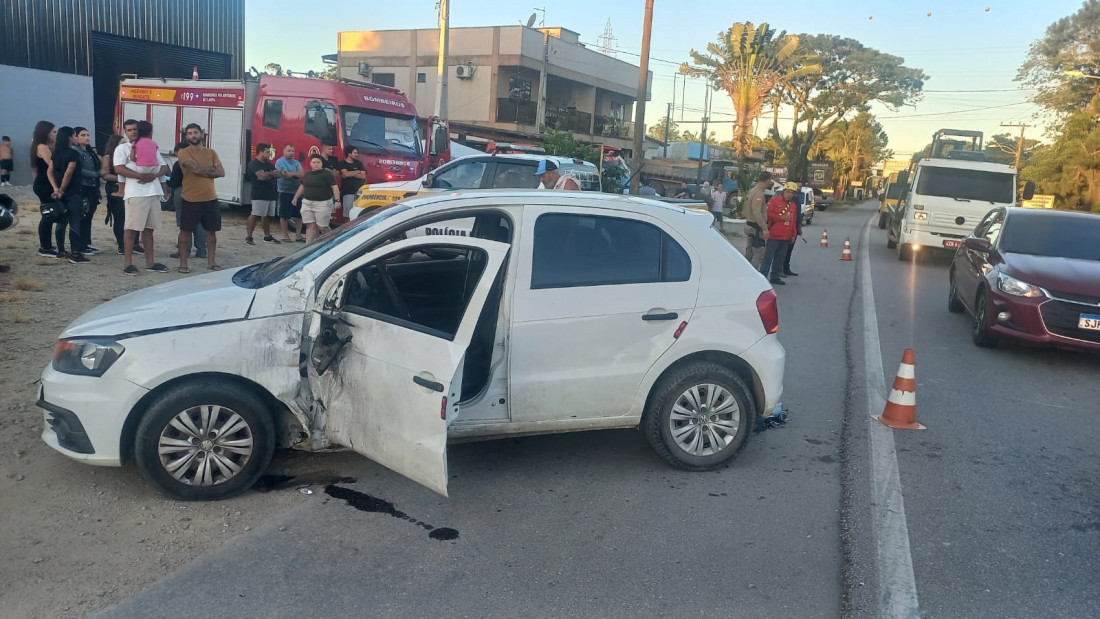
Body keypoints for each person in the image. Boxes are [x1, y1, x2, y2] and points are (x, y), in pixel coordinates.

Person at [113, 118, 170, 275]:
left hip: (153, 192)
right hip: (136, 192)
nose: (132, 132)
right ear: (125, 132)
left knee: (149, 229)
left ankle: (150, 262)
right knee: (131, 229)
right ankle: (128, 264)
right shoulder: (123, 149)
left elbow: (164, 166)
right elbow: (118, 168)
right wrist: (140, 175)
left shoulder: (150, 146)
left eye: (135, 129)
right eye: (129, 130)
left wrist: (153, 176)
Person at [175, 123, 225, 272]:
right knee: (185, 231)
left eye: (195, 132)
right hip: (190, 198)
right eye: (189, 133)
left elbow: (221, 172)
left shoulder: (211, 152)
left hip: (210, 198)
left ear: (202, 134)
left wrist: (202, 169)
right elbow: (194, 169)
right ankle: (183, 264)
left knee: (211, 232)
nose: (193, 136)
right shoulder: (183, 152)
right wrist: (211, 170)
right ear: (186, 136)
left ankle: (211, 262)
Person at [50, 127, 89, 264]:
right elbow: (69, 172)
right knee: (75, 222)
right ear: (69, 137)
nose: (75, 138)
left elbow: (50, 172)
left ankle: (61, 250)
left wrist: (56, 188)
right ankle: (76, 253)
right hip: (72, 192)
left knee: (61, 221)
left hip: (60, 194)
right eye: (74, 136)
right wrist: (62, 189)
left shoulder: (56, 153)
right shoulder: (73, 154)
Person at [100, 134, 141, 255]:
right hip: (115, 188)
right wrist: (123, 176)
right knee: (120, 218)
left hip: (131, 188)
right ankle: (121, 244)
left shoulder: (130, 156)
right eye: (122, 143)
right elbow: (106, 175)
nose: (125, 145)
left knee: (134, 217)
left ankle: (135, 243)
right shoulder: (108, 157)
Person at [31, 120, 65, 258]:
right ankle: (45, 247)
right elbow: (53, 164)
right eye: (54, 132)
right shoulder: (42, 147)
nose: (56, 134)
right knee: (49, 214)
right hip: (44, 184)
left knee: (49, 213)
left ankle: (47, 245)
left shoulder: (45, 146)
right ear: (46, 133)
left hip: (46, 183)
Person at [168, 141, 206, 259]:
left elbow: (174, 182)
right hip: (198, 192)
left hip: (183, 192)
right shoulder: (199, 162)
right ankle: (202, 250)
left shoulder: (179, 164)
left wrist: (166, 181)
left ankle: (184, 250)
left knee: (185, 223)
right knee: (198, 222)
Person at [292, 154, 339, 243]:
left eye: (318, 162)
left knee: (322, 226)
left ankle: (333, 240)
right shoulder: (308, 174)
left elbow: (335, 187)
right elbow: (302, 186)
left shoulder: (327, 174)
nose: (316, 164)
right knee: (310, 225)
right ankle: (308, 246)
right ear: (310, 163)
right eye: (314, 162)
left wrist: (337, 200)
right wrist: (296, 196)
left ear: (322, 163)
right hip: (307, 202)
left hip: (323, 203)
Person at [759, 182, 799, 285]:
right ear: (784, 191)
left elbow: (793, 221)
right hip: (774, 235)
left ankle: (775, 277)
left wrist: (793, 235)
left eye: (792, 193)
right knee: (768, 257)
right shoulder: (774, 201)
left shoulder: (793, 205)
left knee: (779, 259)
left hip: (785, 237)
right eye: (788, 192)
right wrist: (780, 217)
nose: (790, 194)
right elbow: (768, 214)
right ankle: (762, 277)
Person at [244, 142, 282, 245]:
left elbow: (279, 174)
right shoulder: (254, 163)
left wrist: (269, 174)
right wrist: (271, 174)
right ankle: (249, 237)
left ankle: (267, 236)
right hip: (259, 193)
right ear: (260, 152)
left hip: (271, 193)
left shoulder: (269, 164)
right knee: (255, 214)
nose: (269, 154)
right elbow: (261, 177)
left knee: (267, 216)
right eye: (267, 152)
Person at [74, 127, 102, 255]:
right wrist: (97, 174)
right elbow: (79, 170)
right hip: (83, 187)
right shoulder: (76, 152)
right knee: (83, 216)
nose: (87, 137)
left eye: (88, 135)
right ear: (76, 137)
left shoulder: (89, 152)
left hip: (92, 187)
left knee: (89, 216)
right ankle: (80, 245)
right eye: (83, 135)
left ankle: (86, 243)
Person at [742, 171, 772, 269]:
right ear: (767, 180)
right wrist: (764, 228)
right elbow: (757, 212)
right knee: (759, 252)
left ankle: (744, 272)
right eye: (770, 180)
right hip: (755, 228)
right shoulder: (759, 193)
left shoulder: (752, 190)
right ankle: (754, 276)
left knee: (749, 252)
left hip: (749, 225)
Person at [276, 144, 305, 242]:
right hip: (284, 191)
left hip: (297, 192)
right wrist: (296, 174)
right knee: (284, 215)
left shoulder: (296, 162)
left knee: (299, 215)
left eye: (293, 151)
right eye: (289, 150)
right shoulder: (280, 162)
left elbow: (302, 174)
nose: (291, 153)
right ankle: (285, 236)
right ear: (283, 151)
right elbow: (286, 176)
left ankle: (298, 235)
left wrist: (292, 174)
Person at [781, 180, 804, 277]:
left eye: (800, 187)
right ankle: (779, 270)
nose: (799, 188)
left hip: (794, 228)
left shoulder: (797, 199)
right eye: (797, 186)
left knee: (789, 250)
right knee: (782, 251)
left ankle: (786, 268)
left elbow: (797, 215)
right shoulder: (788, 199)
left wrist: (798, 227)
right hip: (785, 229)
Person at [336, 146, 366, 220]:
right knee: (347, 214)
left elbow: (363, 175)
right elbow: (346, 174)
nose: (357, 154)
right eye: (355, 153)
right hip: (348, 192)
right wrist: (357, 171)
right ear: (349, 153)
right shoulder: (342, 163)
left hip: (359, 192)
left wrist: (350, 173)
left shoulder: (359, 163)